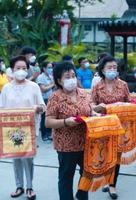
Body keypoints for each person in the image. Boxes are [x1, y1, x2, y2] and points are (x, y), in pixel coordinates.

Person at [45, 62, 92, 200]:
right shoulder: (55, 97)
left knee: (88, 173)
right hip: (66, 145)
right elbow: (48, 122)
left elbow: (89, 111)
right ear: (59, 80)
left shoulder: (84, 93)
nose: (71, 79)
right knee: (66, 176)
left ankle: (82, 195)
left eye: (73, 75)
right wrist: (66, 122)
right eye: (67, 76)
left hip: (87, 142)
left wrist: (95, 113)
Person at [0, 55, 45, 200]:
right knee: (16, 158)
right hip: (11, 130)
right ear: (12, 70)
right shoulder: (6, 88)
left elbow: (43, 107)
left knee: (28, 158)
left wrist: (37, 108)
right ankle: (19, 186)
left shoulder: (34, 86)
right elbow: (1, 108)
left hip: (29, 128)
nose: (21, 71)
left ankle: (30, 187)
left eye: (24, 68)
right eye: (18, 68)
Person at [91, 55, 130, 199]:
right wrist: (97, 108)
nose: (113, 70)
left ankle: (112, 184)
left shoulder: (123, 85)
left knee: (116, 156)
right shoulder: (97, 86)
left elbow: (129, 101)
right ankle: (106, 179)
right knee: (105, 155)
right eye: (109, 67)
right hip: (103, 125)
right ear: (102, 69)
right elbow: (91, 105)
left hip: (119, 125)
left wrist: (125, 106)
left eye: (115, 67)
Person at [36, 61, 55, 141]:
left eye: (51, 67)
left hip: (51, 98)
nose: (51, 69)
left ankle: (49, 134)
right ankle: (44, 135)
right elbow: (43, 89)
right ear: (44, 68)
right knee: (44, 117)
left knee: (50, 116)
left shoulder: (51, 76)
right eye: (49, 67)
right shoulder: (41, 77)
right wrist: (52, 85)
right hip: (44, 98)